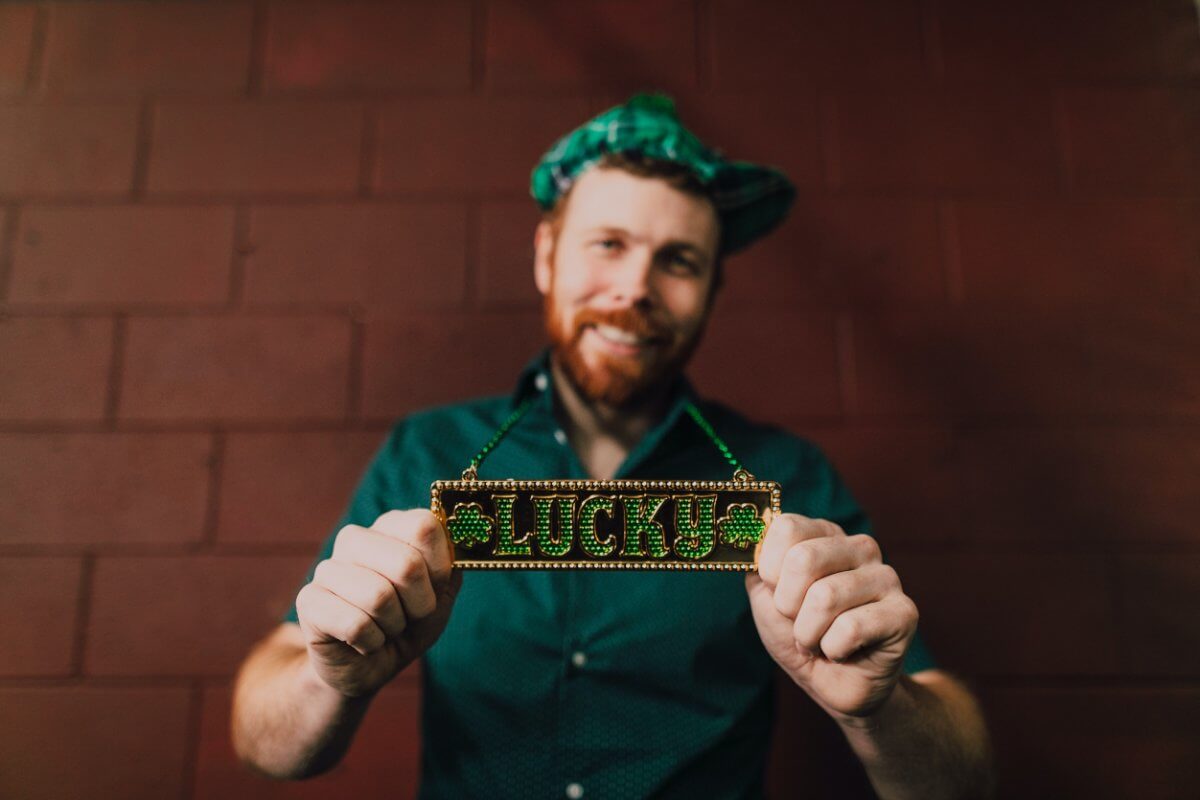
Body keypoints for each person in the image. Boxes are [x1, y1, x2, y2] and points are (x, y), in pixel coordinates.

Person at [231, 94, 994, 799]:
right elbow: (269, 744)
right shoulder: (429, 451)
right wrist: (330, 680)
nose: (635, 287)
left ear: (710, 294)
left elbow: (964, 781)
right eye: (609, 243)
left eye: (679, 260)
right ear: (545, 257)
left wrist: (878, 709)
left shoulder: (789, 476)